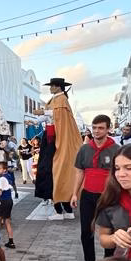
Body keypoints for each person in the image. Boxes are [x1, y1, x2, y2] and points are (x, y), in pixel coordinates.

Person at [71, 115, 120, 261]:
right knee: (86, 232)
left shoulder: (116, 149)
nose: (97, 131)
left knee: (110, 232)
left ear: (108, 129)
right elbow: (79, 172)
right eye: (94, 127)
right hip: (88, 195)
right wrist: (74, 193)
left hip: (108, 196)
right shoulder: (85, 149)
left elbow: (120, 173)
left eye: (101, 128)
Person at [45, 77, 83, 220]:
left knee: (55, 172)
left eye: (52, 86)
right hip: (54, 137)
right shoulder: (58, 100)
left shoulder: (60, 100)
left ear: (58, 87)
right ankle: (66, 210)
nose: (50, 88)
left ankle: (59, 211)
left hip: (55, 139)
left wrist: (42, 114)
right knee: (62, 172)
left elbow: (56, 116)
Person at [0, 161, 16, 249]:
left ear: (4, 170)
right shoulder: (8, 176)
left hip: (3, 201)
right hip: (9, 201)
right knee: (7, 221)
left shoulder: (1, 179)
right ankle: (11, 242)